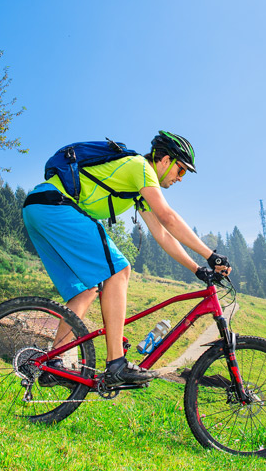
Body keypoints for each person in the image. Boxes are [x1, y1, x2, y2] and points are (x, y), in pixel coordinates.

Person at [22, 131, 230, 386]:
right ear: (164, 160)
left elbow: (163, 235)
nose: (180, 178)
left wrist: (197, 268)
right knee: (120, 271)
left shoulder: (138, 191)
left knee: (85, 291)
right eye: (181, 170)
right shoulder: (140, 167)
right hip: (55, 206)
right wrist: (211, 255)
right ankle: (116, 364)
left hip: (38, 208)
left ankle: (53, 363)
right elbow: (169, 218)